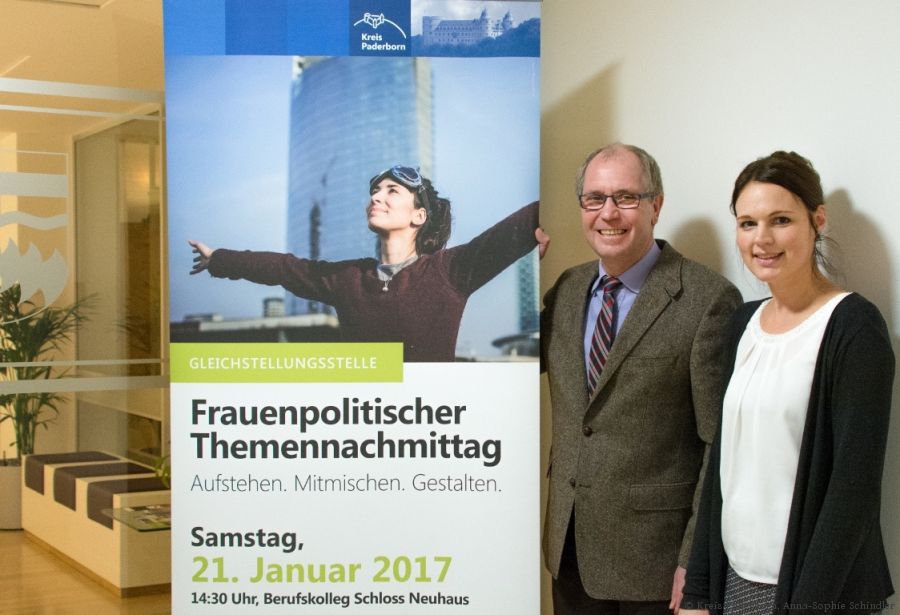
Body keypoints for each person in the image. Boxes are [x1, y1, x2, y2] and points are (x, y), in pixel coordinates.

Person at [681, 151, 895, 615]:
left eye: (780, 220)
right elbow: (722, 463)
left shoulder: (853, 326)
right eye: (747, 223)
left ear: (817, 220)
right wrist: (698, 592)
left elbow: (852, 493)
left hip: (820, 592)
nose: (762, 239)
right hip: (735, 581)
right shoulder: (742, 324)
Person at [541, 143, 742, 615]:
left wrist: (698, 559)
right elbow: (510, 365)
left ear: (656, 205)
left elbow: (720, 444)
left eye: (626, 197)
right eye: (595, 198)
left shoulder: (707, 300)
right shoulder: (566, 291)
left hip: (656, 565)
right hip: (568, 550)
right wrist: (516, 271)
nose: (609, 212)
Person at [190, 165, 539, 362]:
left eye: (392, 191)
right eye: (375, 190)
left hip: (432, 430)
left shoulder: (449, 271)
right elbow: (284, 268)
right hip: (365, 431)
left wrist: (551, 219)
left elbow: (519, 226)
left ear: (419, 216)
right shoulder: (348, 278)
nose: (376, 196)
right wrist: (219, 259)